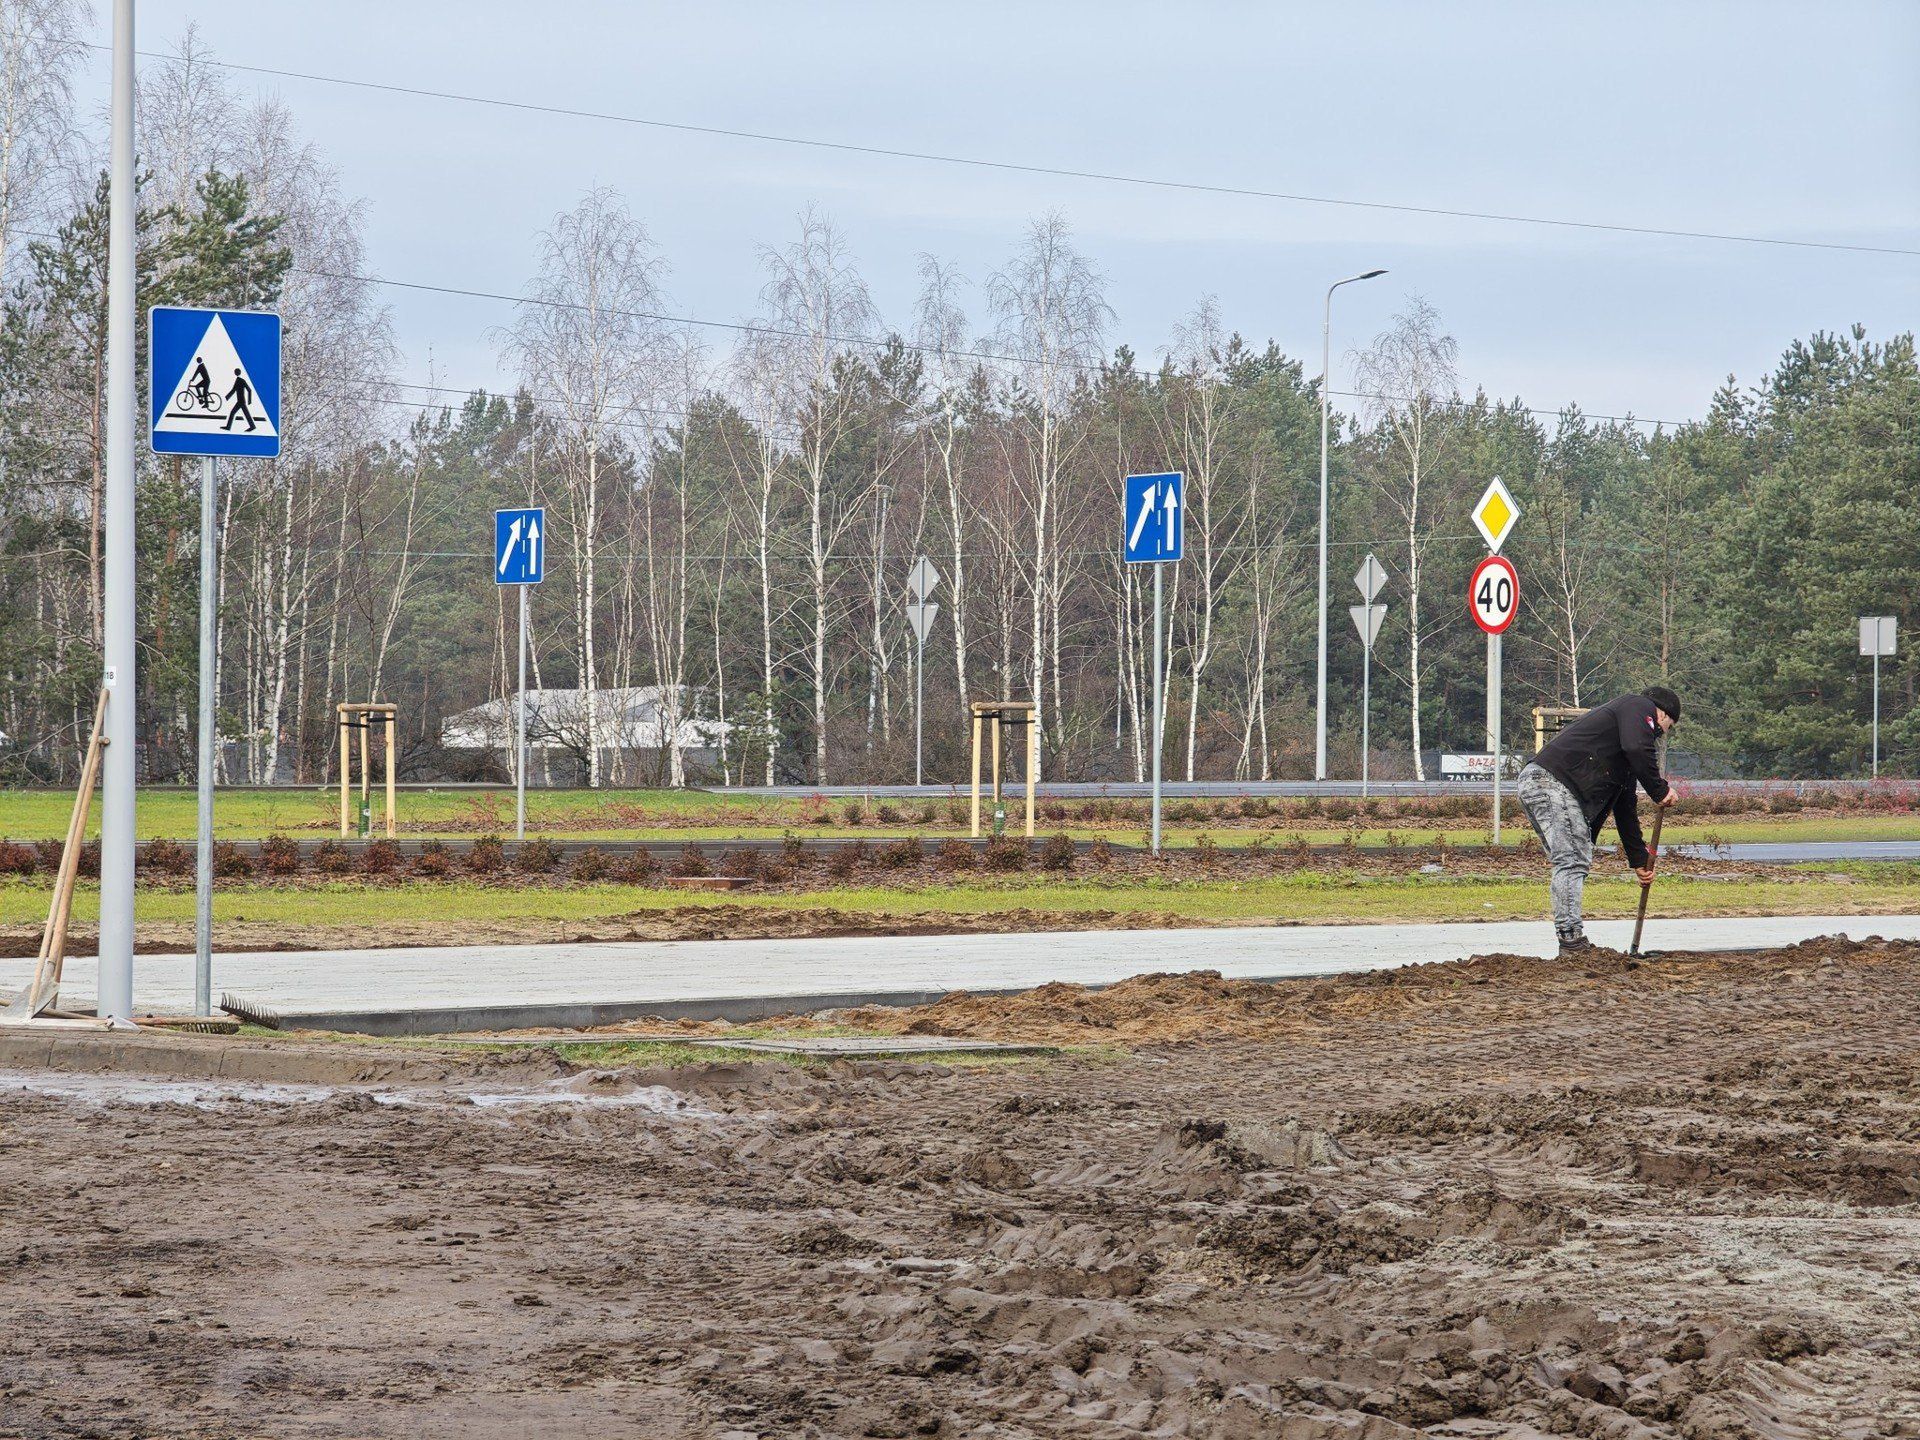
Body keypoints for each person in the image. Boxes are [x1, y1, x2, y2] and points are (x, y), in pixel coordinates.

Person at [1517, 686, 1680, 957]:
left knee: (1568, 860)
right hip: (1552, 783)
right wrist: (1659, 789)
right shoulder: (1637, 705)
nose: (1662, 734)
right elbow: (1637, 747)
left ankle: (1571, 940)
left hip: (1539, 783)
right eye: (1668, 727)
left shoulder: (1623, 750)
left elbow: (1625, 807)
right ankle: (1572, 943)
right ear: (1661, 713)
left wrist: (1639, 860)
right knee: (1572, 861)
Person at [223, 368, 257, 432]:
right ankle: (252, 426)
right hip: (240, 401)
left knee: (234, 413)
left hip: (241, 401)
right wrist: (227, 397)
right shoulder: (240, 380)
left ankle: (228, 427)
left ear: (236, 373)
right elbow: (234, 390)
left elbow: (248, 390)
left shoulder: (239, 380)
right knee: (244, 414)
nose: (234, 372)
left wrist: (249, 401)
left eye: (235, 371)